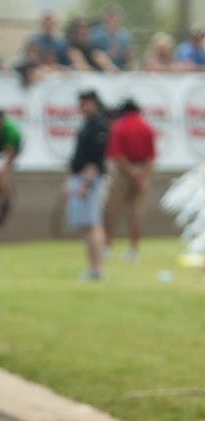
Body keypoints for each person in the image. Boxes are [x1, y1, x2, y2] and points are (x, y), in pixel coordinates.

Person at [103, 99, 156, 262]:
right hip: (141, 172)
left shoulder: (119, 127)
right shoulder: (147, 127)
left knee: (112, 211)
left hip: (123, 173)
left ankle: (107, 247)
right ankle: (133, 250)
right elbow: (151, 157)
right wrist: (142, 177)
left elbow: (117, 155)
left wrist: (132, 173)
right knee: (136, 214)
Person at [66, 90, 110, 281]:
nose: (83, 107)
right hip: (82, 177)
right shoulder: (88, 125)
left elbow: (96, 158)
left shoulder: (98, 126)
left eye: (86, 103)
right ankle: (93, 268)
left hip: (90, 179)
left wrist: (86, 182)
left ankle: (97, 268)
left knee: (93, 224)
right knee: (87, 225)